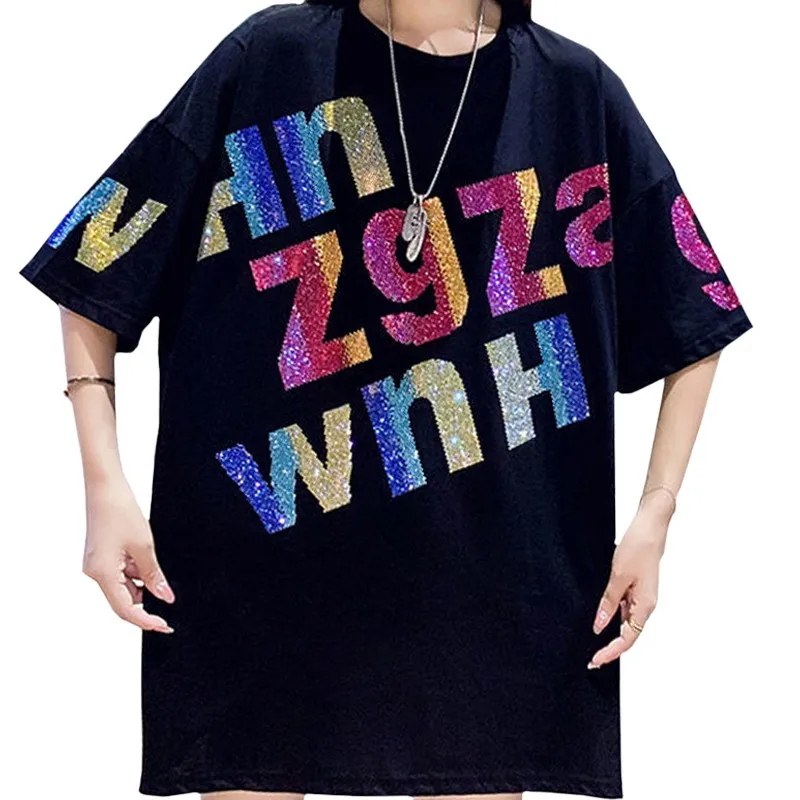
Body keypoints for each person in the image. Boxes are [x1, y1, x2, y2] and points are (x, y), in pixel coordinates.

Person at [18, 0, 752, 797]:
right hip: (258, 587)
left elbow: (696, 311)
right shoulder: (267, 59)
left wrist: (655, 516)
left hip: (491, 598)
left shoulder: (573, 91)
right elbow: (97, 258)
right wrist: (104, 488)